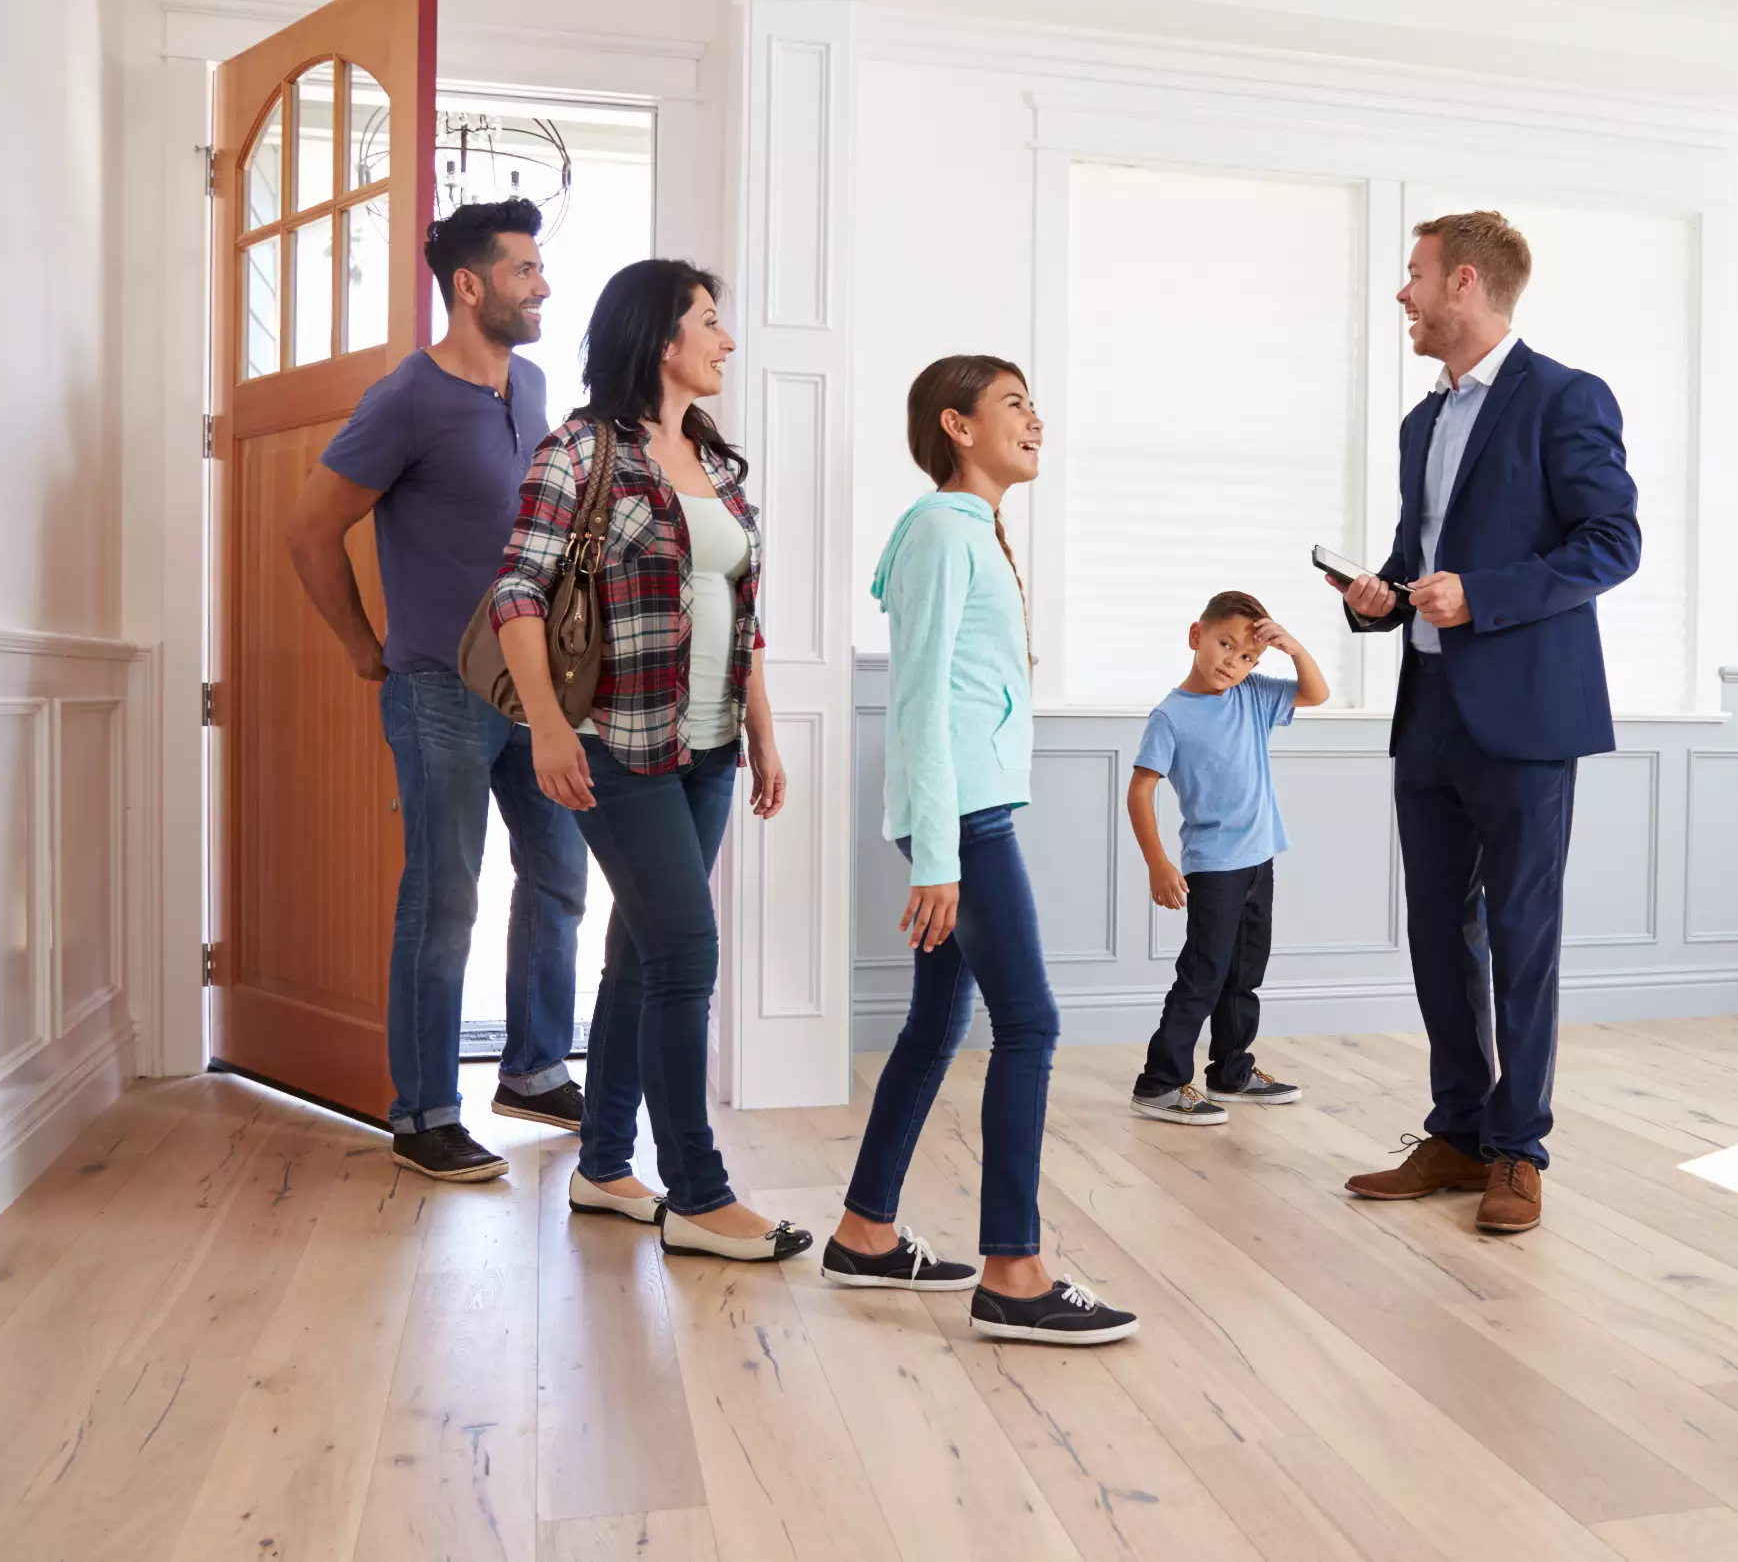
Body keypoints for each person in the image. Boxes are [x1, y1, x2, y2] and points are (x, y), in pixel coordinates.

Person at [487, 259, 806, 1262]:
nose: (727, 339)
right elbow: (520, 592)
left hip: (707, 743)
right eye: (711, 321)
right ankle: (699, 1194)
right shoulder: (585, 451)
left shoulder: (715, 460)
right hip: (617, 744)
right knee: (684, 953)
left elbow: (740, 612)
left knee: (638, 953)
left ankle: (603, 1165)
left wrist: (759, 727)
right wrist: (545, 724)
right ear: (663, 337)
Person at [1330, 210, 1640, 1235]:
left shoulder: (1565, 398)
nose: (1402, 296)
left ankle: (1518, 1150)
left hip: (1525, 716)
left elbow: (1612, 542)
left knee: (1519, 936)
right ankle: (1458, 1131)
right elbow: (1421, 553)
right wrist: (1380, 593)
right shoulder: (1423, 421)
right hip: (1428, 717)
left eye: (1412, 276)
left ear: (1463, 282)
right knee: (1433, 932)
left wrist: (1484, 596)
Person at [824, 355, 1139, 1342]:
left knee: (933, 1023)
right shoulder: (937, 532)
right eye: (1013, 404)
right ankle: (1013, 1267)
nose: (1034, 419)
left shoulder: (966, 532)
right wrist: (936, 855)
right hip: (963, 821)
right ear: (957, 426)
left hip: (963, 811)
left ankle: (864, 1227)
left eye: (1034, 404)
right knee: (1031, 1024)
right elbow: (916, 696)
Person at [284, 197, 587, 1183]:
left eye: (541, 268)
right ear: (469, 283)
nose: (541, 284)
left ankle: (536, 1067)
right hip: (439, 689)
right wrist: (363, 645)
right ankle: (421, 1111)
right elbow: (307, 531)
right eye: (524, 269)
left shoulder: (532, 384)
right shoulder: (406, 397)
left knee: (559, 873)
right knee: (445, 894)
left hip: (533, 688)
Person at [1126, 591, 1328, 1124]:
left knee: (1245, 971)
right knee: (1204, 973)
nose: (1233, 663)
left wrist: (1295, 648)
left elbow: (1317, 693)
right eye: (1225, 645)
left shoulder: (1253, 695)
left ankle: (1232, 1069)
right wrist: (1158, 862)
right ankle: (1161, 1082)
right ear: (1196, 636)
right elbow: (1140, 789)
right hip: (1214, 866)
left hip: (1260, 858)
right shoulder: (1170, 716)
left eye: (1247, 657)